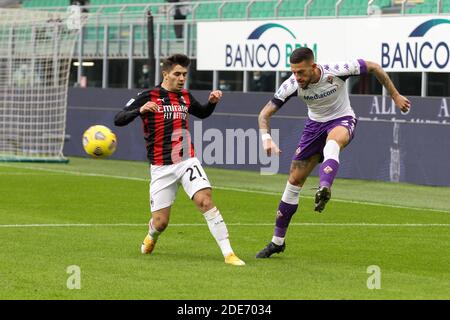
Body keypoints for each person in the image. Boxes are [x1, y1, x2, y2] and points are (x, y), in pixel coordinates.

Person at [256, 47, 411, 258]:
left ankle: (324, 187)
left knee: (332, 144)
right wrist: (266, 138)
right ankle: (277, 242)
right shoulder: (291, 85)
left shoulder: (337, 71)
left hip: (342, 119)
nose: (297, 77)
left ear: (313, 66)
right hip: (313, 127)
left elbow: (374, 66)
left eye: (301, 72)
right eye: (293, 72)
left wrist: (395, 95)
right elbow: (264, 115)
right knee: (293, 182)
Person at [114, 54, 245, 266]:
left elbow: (201, 113)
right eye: (177, 74)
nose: (182, 78)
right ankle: (151, 235)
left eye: (184, 74)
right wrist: (140, 110)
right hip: (161, 167)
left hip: (186, 161)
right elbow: (118, 118)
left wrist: (211, 103)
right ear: (165, 74)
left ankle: (228, 253)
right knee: (161, 222)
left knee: (205, 200)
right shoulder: (149, 95)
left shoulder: (185, 96)